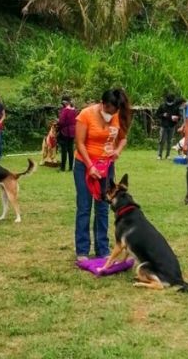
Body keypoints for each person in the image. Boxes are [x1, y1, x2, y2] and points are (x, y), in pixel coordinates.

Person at [73, 89, 130, 261]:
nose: (110, 114)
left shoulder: (117, 115)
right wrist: (90, 166)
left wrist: (117, 151)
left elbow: (123, 138)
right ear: (102, 103)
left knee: (103, 207)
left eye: (114, 111)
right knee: (84, 207)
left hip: (106, 167)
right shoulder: (86, 115)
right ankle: (82, 250)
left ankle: (102, 249)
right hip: (85, 165)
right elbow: (80, 143)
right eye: (108, 110)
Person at [156, 92, 184, 160]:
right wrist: (163, 115)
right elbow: (157, 115)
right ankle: (159, 155)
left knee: (169, 141)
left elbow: (179, 116)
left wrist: (177, 118)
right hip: (164, 126)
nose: (170, 103)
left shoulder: (175, 106)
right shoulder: (162, 106)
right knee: (162, 141)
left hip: (172, 126)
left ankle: (168, 155)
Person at [57, 96, 78, 172]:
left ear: (64, 102)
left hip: (65, 132)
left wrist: (58, 123)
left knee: (64, 150)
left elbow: (61, 122)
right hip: (72, 132)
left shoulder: (65, 110)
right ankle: (71, 167)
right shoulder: (74, 110)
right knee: (70, 150)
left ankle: (62, 168)